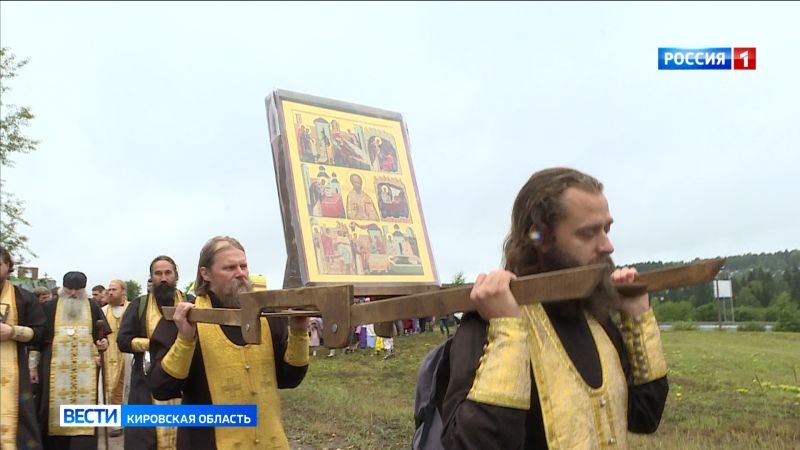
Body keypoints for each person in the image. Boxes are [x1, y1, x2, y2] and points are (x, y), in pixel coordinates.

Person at [440, 167, 669, 449]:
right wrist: (508, 334)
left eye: (606, 229)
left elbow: (644, 416)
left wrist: (637, 318)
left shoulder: (596, 318)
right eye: (589, 233)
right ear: (540, 238)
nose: (608, 246)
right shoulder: (489, 323)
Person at [149, 236, 310, 449]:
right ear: (206, 274)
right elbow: (161, 388)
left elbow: (289, 379)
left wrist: (299, 331)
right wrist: (186, 340)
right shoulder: (185, 317)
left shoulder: (268, 316)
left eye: (243, 266)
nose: (241, 273)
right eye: (230, 267)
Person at [117, 255, 187, 449]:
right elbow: (123, 341)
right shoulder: (138, 306)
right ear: (151, 277)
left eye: (167, 273)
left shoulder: (191, 302)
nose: (163, 278)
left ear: (176, 275)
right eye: (158, 273)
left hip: (186, 384)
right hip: (146, 382)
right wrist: (154, 344)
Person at [38, 271, 110, 449]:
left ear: (83, 289)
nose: (72, 293)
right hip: (53, 366)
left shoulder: (92, 307)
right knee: (51, 409)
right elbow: (39, 339)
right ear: (63, 288)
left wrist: (103, 343)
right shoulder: (50, 307)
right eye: (69, 288)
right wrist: (33, 367)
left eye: (77, 289)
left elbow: (101, 337)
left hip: (85, 370)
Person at [0, 246, 46, 449]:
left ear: (8, 266)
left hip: (14, 375)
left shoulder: (24, 297)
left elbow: (40, 332)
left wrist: (12, 332)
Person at [102, 279, 131, 437]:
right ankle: (113, 423)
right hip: (108, 354)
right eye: (109, 289)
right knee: (110, 388)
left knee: (126, 387)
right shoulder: (104, 310)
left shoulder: (131, 308)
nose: (110, 292)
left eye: (114, 289)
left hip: (128, 356)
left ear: (123, 291)